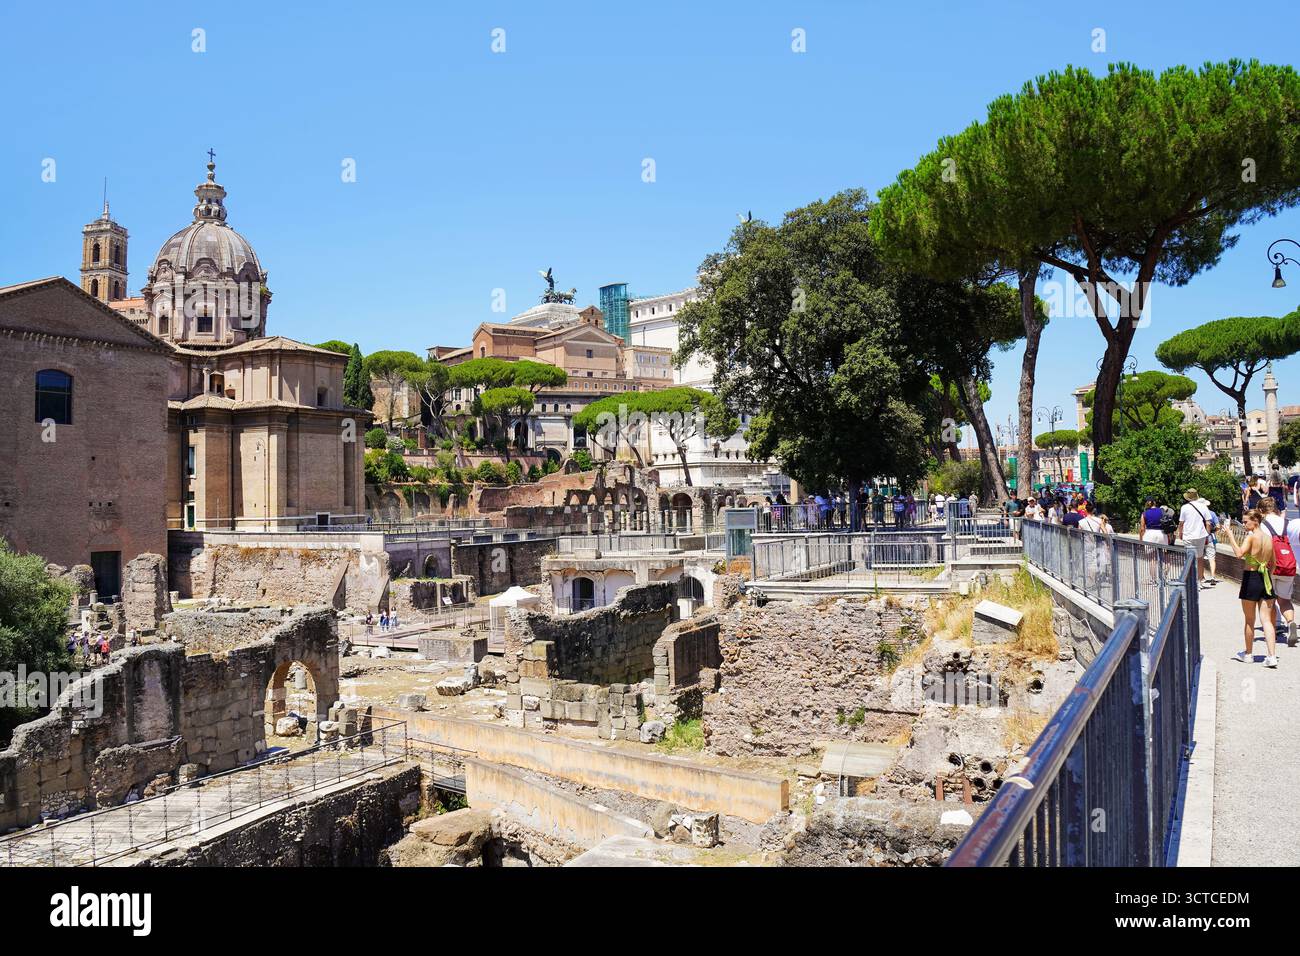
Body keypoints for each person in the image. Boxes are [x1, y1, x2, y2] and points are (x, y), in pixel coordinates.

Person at [1225, 509, 1279, 667]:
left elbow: (1239, 554)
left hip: (1251, 578)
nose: (1244, 524)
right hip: (1265, 578)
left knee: (1250, 620)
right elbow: (1274, 564)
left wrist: (1229, 534)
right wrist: (1267, 575)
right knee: (1267, 620)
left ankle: (1248, 654)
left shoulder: (1251, 537)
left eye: (1246, 521)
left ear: (1255, 520)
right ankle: (1272, 656)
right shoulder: (1269, 538)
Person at [1259, 497, 1298, 646]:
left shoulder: (1263, 525)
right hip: (1288, 566)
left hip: (1270, 567)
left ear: (1261, 511)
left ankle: (1272, 630)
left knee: (1269, 601)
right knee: (1285, 601)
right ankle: (1290, 623)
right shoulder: (1287, 523)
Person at [1177, 488, 1217, 588]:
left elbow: (1181, 523)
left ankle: (1191, 580)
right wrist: (1207, 533)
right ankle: (1199, 581)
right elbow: (1208, 522)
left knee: (1189, 558)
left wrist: (1180, 533)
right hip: (1201, 535)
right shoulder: (1203, 507)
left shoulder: (1184, 507)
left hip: (1188, 535)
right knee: (1200, 558)